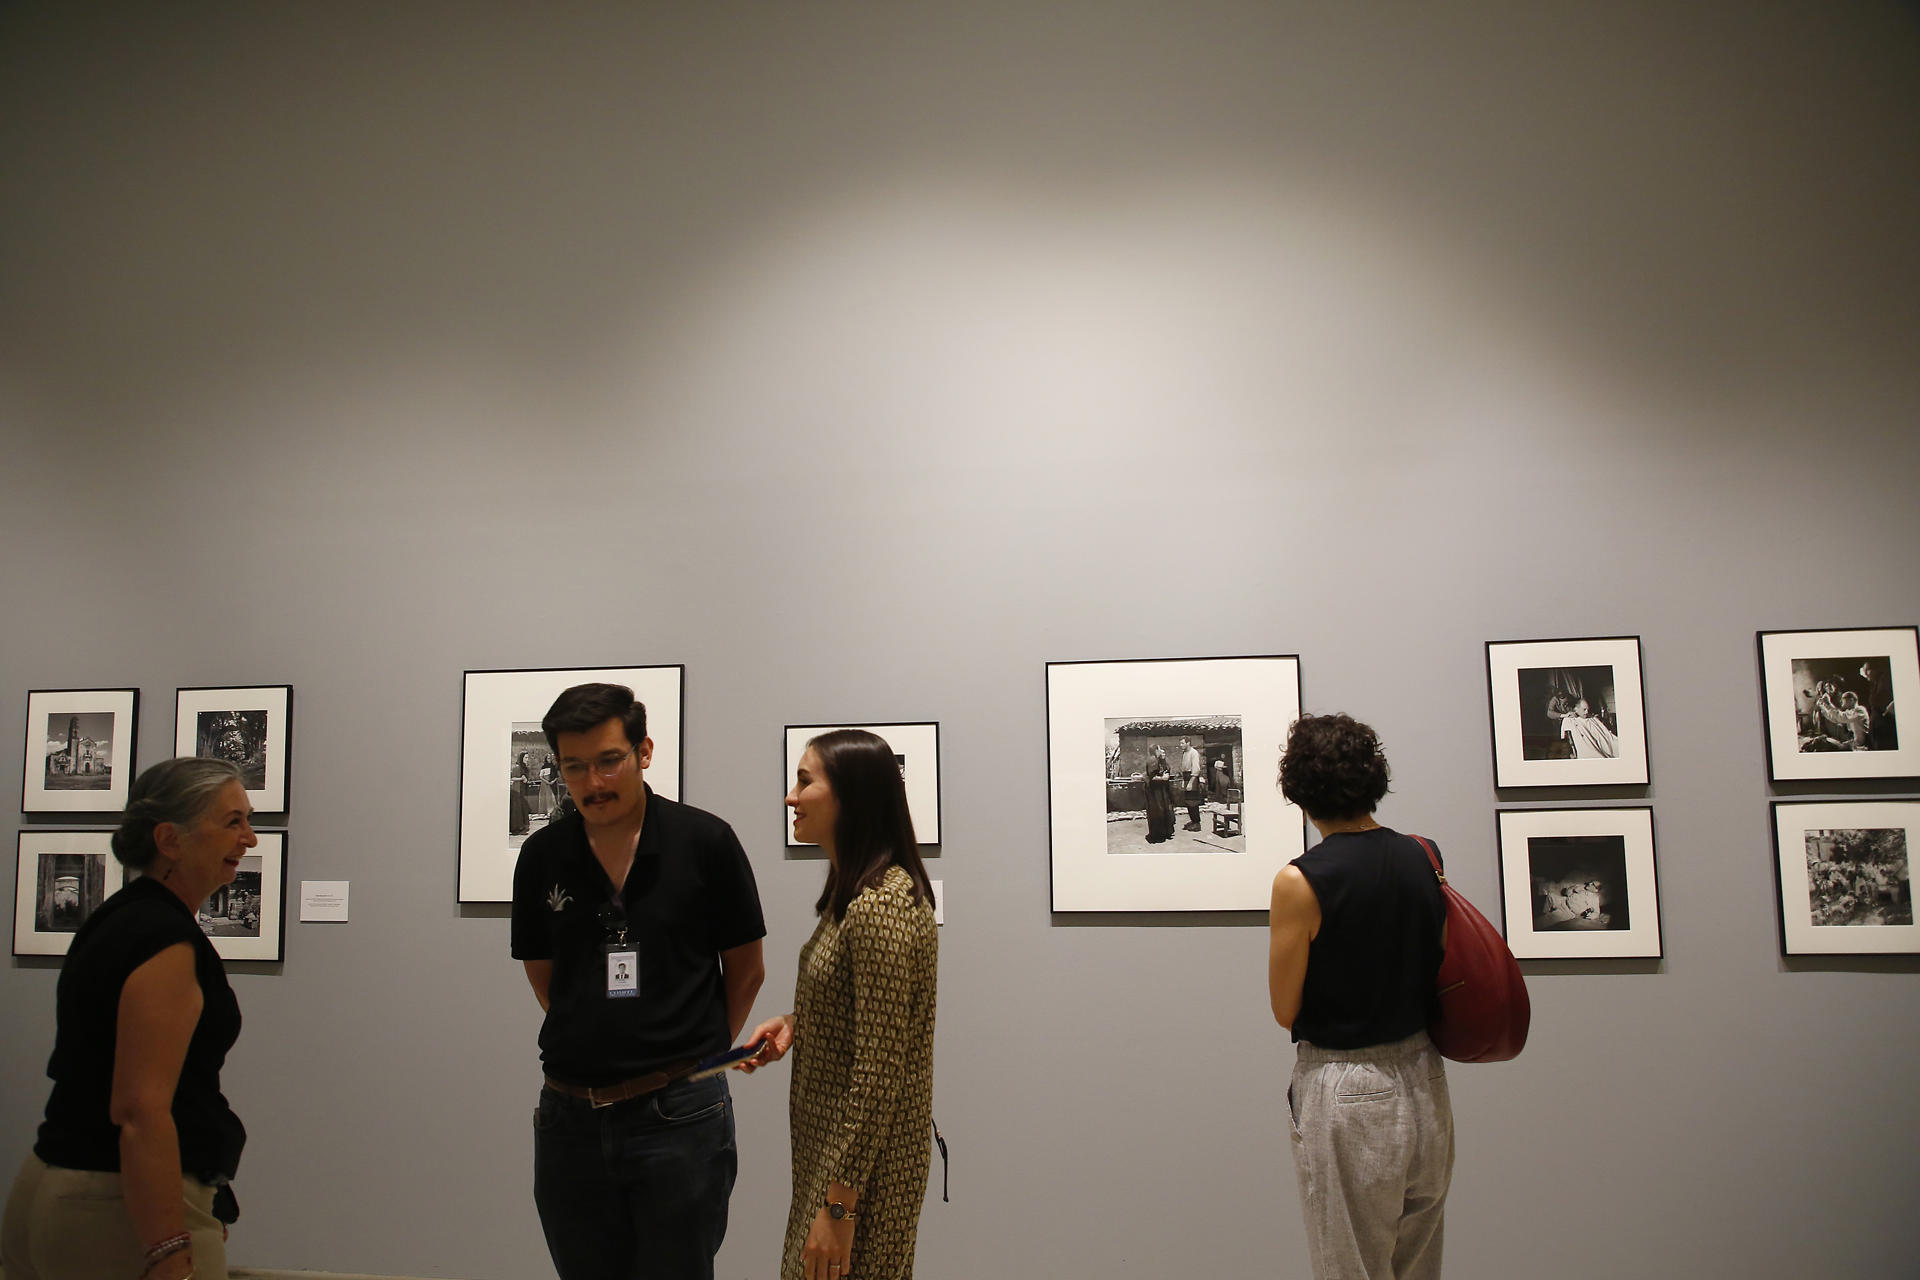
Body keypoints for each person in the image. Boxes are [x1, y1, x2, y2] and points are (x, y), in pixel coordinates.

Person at [510, 683, 767, 1280]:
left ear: (644, 751)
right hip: (569, 1118)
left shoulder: (707, 842)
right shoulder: (543, 856)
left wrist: (692, 1058)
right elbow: (542, 971)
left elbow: (747, 970)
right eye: (574, 767)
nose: (593, 783)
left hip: (681, 1115)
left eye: (608, 761)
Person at [3, 758, 255, 1280]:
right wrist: (168, 1247)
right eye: (233, 822)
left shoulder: (118, 918)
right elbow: (141, 1111)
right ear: (170, 839)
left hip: (60, 1184)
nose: (249, 839)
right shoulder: (162, 938)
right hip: (112, 1206)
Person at [741, 729, 939, 1280]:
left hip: (861, 1175)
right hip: (834, 1164)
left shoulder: (882, 905)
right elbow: (872, 1015)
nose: (790, 797)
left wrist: (838, 1209)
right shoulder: (852, 895)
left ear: (850, 795)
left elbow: (880, 1069)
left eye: (804, 781)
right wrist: (797, 1023)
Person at [1267, 714, 1452, 1280]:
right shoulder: (1424, 855)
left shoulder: (1300, 881)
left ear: (1298, 790)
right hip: (1425, 1076)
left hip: (1347, 1085)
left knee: (1352, 1269)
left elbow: (1284, 1010)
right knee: (1417, 1265)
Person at [1143, 746, 1175, 843]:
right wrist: (1163, 778)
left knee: (1159, 811)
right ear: (1156, 750)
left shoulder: (1156, 760)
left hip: (1157, 791)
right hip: (1155, 792)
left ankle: (1160, 833)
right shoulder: (1153, 760)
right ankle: (1158, 835)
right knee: (1157, 811)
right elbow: (1152, 777)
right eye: (1159, 750)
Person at [1180, 738, 1204, 831]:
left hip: (1192, 777)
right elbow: (1184, 768)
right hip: (1186, 777)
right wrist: (1184, 780)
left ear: (1188, 743)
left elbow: (1196, 769)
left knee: (1193, 801)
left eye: (1182, 743)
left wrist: (1191, 782)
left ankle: (1197, 823)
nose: (1181, 745)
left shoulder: (1193, 753)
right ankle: (1193, 820)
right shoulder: (1184, 753)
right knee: (1188, 800)